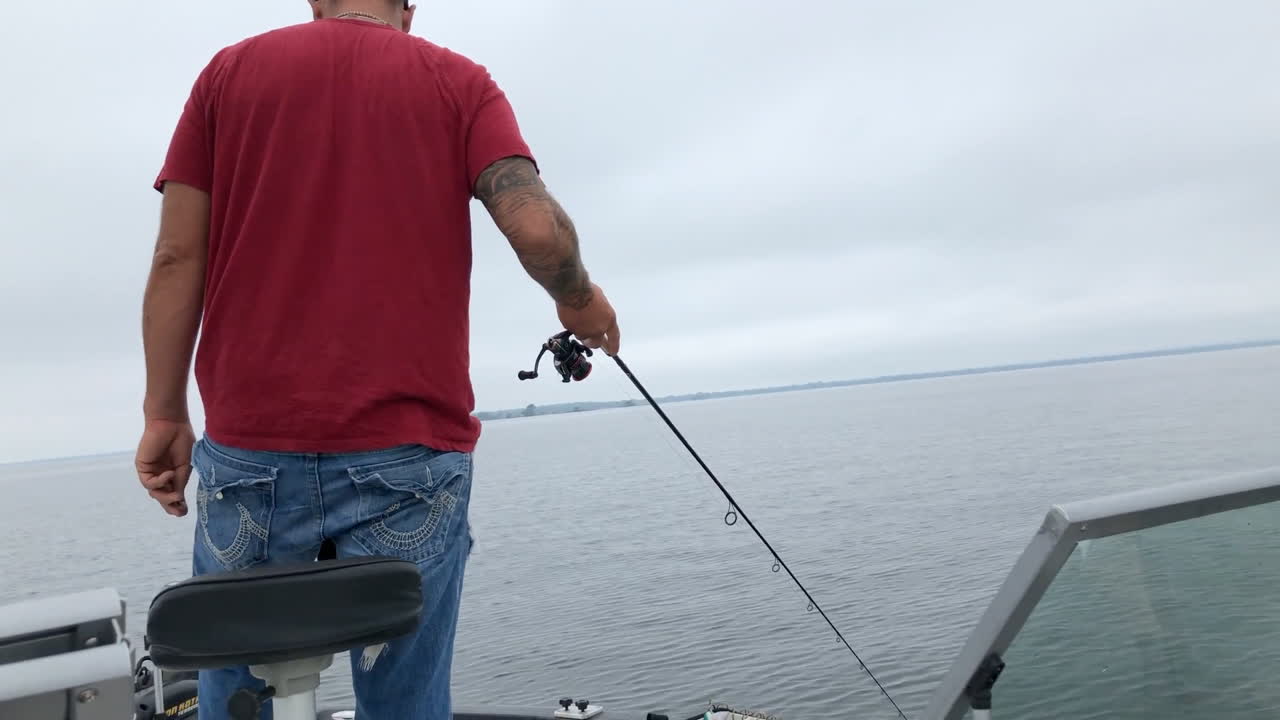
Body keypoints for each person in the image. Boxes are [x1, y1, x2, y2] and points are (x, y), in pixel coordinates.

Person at [134, 1, 620, 717]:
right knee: (406, 703)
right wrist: (579, 301)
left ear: (313, 1)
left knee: (234, 691)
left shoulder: (227, 76)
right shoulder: (460, 83)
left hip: (251, 455)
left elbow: (178, 257)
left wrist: (163, 411)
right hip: (412, 464)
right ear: (408, 9)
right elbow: (537, 229)